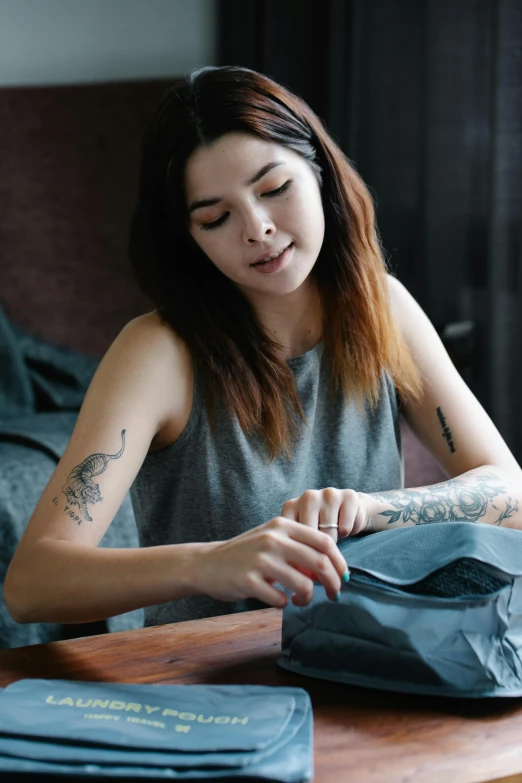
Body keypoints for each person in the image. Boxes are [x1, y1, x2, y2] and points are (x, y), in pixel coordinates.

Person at [5, 66, 522, 629]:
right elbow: (32, 584)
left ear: (319, 171)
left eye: (275, 189)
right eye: (216, 217)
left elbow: (510, 494)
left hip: (363, 664)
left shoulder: (384, 309)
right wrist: (209, 563)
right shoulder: (157, 354)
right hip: (212, 687)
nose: (257, 229)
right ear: (189, 238)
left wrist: (374, 511)